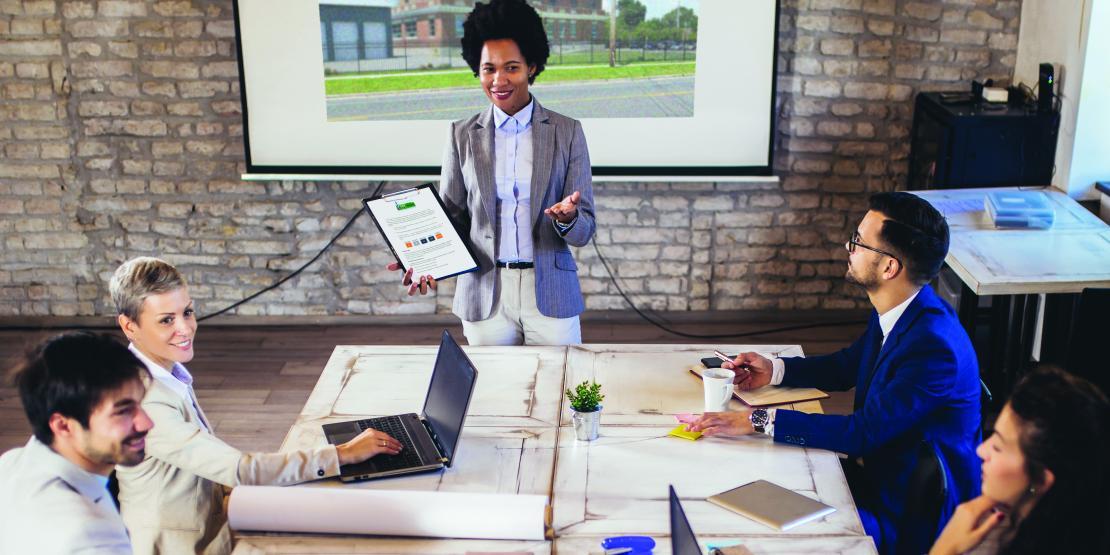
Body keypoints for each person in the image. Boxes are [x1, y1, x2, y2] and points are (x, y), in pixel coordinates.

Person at [688, 192, 981, 554]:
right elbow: (848, 366)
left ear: (890, 267)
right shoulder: (904, 306)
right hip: (876, 477)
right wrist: (775, 370)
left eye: (858, 241)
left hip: (903, 514)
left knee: (752, 519)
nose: (849, 246)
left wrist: (759, 419)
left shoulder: (933, 348)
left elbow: (861, 434)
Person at [109, 257, 404, 555]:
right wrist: (343, 454)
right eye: (166, 320)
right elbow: (239, 469)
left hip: (216, 519)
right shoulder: (145, 401)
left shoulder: (164, 374)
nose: (185, 329)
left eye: (187, 312)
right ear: (129, 326)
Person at [388, 0, 596, 346]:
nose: (498, 80)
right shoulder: (460, 135)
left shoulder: (567, 132)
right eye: (488, 69)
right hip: (485, 294)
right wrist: (423, 261)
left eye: (511, 67)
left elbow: (584, 229)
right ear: (477, 69)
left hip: (550, 294)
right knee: (494, 396)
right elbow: (451, 220)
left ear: (532, 66)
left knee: (557, 395)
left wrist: (569, 218)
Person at [0, 332, 154, 554]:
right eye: (123, 412)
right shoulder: (92, 538)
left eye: (140, 405)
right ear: (63, 426)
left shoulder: (10, 464)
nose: (146, 423)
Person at [929, 367, 1110, 555]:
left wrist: (944, 549)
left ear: (1039, 481)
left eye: (998, 447)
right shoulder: (1003, 519)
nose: (982, 450)